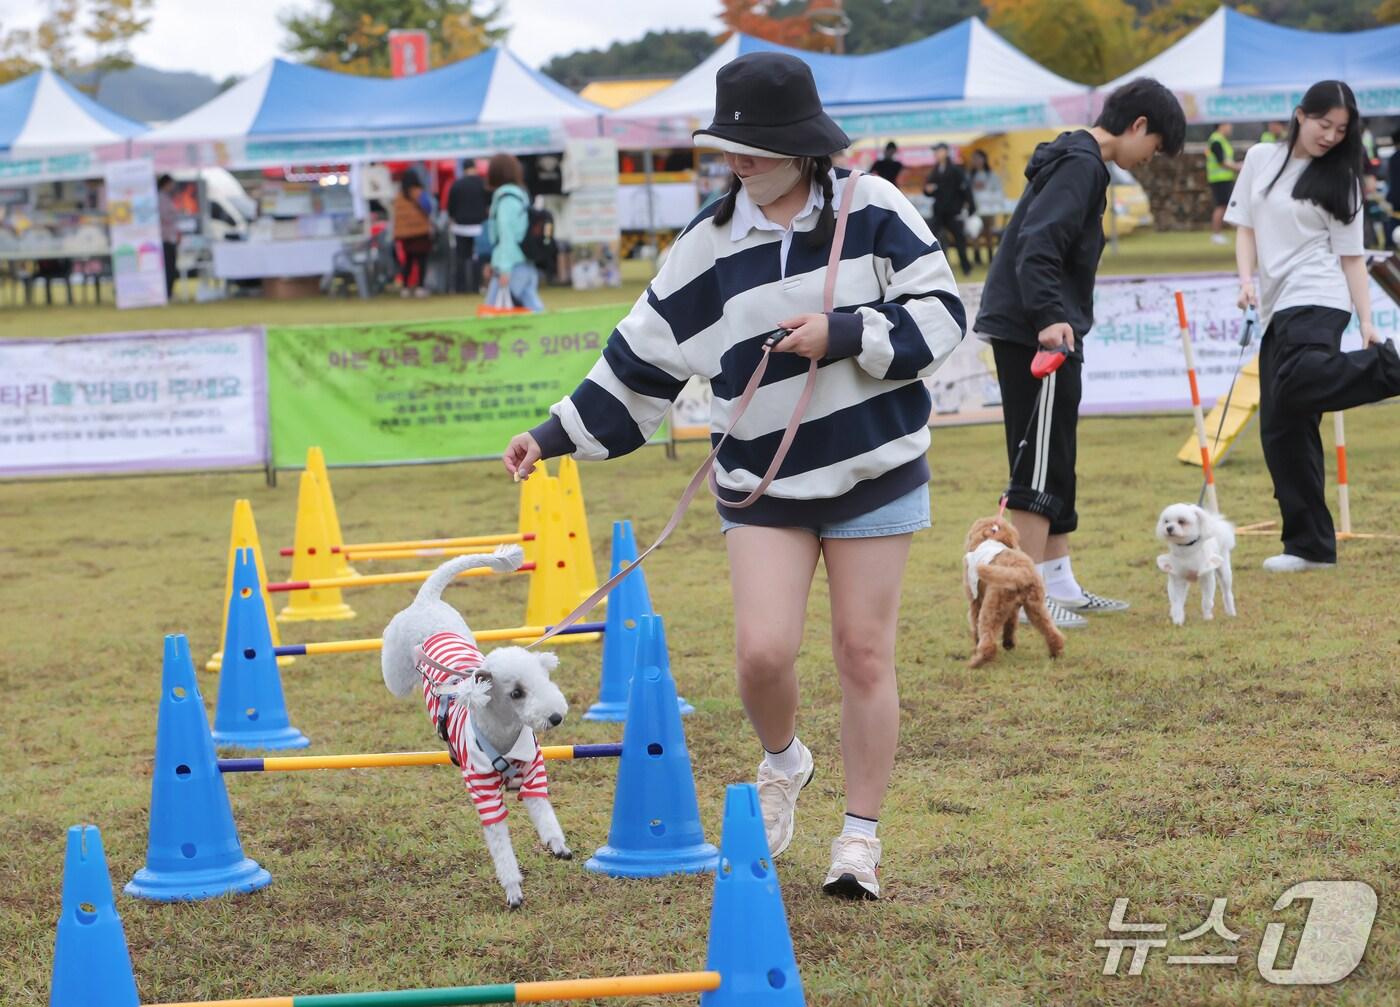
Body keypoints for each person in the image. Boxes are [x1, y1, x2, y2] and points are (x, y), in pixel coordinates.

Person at [502, 51, 965, 901]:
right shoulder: (705, 246)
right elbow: (639, 360)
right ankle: (785, 759)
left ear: (804, 146)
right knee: (760, 654)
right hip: (761, 483)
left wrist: (845, 332)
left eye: (756, 147)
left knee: (864, 652)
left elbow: (942, 313)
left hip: (876, 467)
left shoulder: (872, 207)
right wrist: (551, 434)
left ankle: (859, 837)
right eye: (728, 147)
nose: (738, 161)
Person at [974, 78, 1185, 628]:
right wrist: (1049, 317)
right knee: (1039, 461)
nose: (1152, 158)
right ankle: (1023, 596)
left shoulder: (1080, 159)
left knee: (1058, 453)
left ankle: (1059, 582)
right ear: (1138, 125)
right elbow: (1039, 243)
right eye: (1156, 146)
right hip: (1036, 330)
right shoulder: (1082, 165)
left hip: (1047, 327)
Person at [1225, 80, 1400, 572]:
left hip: (1320, 294)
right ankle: (1310, 547)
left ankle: (1390, 368)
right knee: (1281, 427)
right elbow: (1246, 228)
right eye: (1325, 125)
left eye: (1341, 130)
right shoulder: (1260, 159)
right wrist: (1245, 282)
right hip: (1274, 305)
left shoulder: (1342, 179)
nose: (1331, 137)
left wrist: (1367, 322)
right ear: (1300, 114)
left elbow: (1352, 258)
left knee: (1298, 379)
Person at [483, 153, 545, 312]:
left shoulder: (505, 201)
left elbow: (506, 237)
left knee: (491, 311)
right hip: (524, 262)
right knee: (533, 308)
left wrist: (504, 268)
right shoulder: (519, 196)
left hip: (512, 265)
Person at [923, 143, 973, 275]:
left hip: (952, 212)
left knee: (959, 239)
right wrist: (928, 190)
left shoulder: (955, 170)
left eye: (938, 151)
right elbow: (928, 189)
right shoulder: (935, 170)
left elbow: (965, 189)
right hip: (939, 212)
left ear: (945, 152)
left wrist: (969, 206)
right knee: (932, 238)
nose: (936, 154)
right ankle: (935, 268)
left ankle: (966, 268)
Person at [446, 160, 488, 294]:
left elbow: (451, 207)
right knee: (477, 258)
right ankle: (476, 286)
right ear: (474, 168)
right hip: (479, 226)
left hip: (460, 227)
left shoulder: (457, 184)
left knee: (461, 258)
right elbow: (488, 203)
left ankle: (460, 287)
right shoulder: (482, 184)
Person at [393, 169, 434, 298]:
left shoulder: (399, 196)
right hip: (421, 232)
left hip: (406, 235)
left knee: (408, 262)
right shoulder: (419, 193)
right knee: (422, 261)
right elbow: (428, 208)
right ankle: (420, 287)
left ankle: (405, 287)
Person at [967, 149, 1004, 266]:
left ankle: (990, 255)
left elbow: (998, 192)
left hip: (989, 210)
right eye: (974, 159)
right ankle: (977, 256)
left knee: (989, 232)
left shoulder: (992, 175)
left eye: (978, 158)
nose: (976, 161)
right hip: (974, 210)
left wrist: (984, 191)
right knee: (975, 232)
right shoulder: (969, 177)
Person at [1207, 122, 1242, 245]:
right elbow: (1221, 161)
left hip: (1224, 178)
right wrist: (1237, 167)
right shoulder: (1216, 140)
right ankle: (1216, 234)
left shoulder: (1221, 140)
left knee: (1225, 206)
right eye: (1228, 124)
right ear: (1221, 125)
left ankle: (1220, 233)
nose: (1230, 127)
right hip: (1219, 179)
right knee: (1221, 206)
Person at [156, 174, 179, 298]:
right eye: (171, 184)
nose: (173, 186)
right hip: (165, 237)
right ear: (166, 184)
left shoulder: (165, 197)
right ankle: (167, 292)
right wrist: (176, 215)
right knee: (169, 266)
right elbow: (165, 216)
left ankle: (169, 291)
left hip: (169, 236)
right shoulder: (161, 198)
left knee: (170, 266)